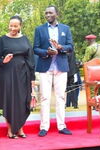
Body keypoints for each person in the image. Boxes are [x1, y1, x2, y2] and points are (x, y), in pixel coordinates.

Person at [33, 5, 74, 137]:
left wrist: (60, 47)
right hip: (45, 67)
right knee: (45, 97)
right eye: (46, 13)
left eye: (50, 13)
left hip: (61, 67)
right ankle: (44, 126)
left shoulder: (65, 29)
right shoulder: (39, 29)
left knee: (61, 97)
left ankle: (61, 126)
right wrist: (47, 52)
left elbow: (70, 47)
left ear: (57, 14)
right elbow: (36, 48)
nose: (47, 15)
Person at [0, 16, 35, 139]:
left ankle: (20, 128)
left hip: (23, 74)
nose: (13, 28)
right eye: (11, 25)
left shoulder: (25, 39)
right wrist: (3, 61)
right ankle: (10, 130)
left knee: (22, 100)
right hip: (7, 73)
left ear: (20, 26)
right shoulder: (2, 40)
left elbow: (31, 59)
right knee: (9, 100)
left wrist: (32, 77)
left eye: (15, 26)